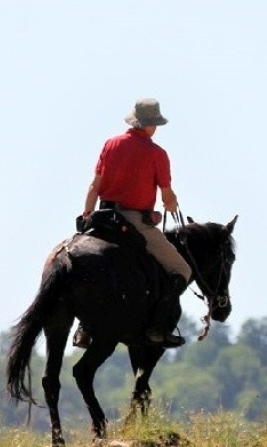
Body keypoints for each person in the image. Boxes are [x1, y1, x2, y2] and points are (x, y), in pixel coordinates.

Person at [73, 98, 193, 348]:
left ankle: (83, 327)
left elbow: (95, 186)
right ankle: (158, 329)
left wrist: (86, 215)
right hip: (134, 220)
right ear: (151, 125)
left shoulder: (110, 144)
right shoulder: (157, 154)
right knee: (183, 269)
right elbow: (167, 195)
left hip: (102, 217)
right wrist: (171, 207)